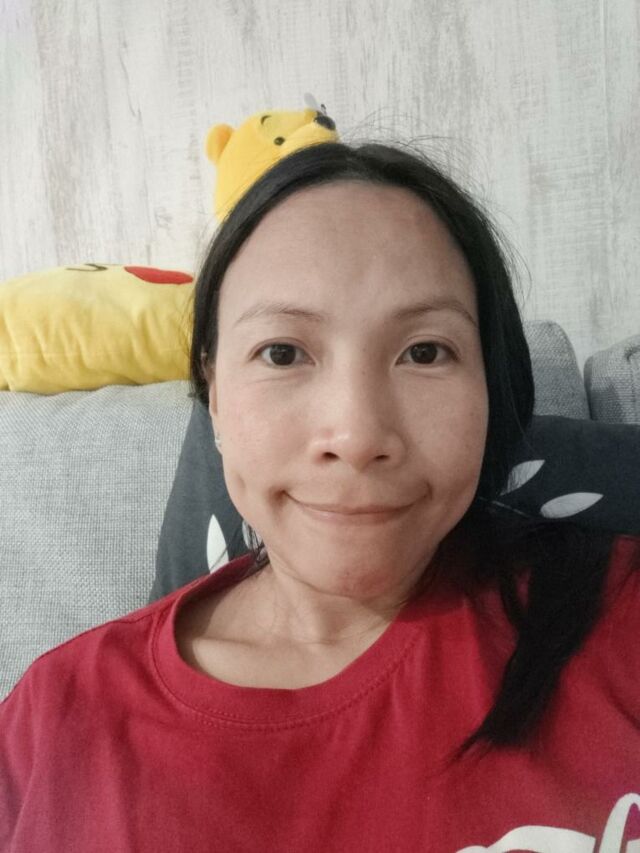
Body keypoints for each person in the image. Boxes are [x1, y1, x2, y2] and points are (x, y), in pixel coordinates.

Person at [2, 140, 639, 851]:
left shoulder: (620, 617)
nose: (358, 435)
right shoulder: (52, 718)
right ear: (214, 395)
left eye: (425, 351)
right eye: (283, 352)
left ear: (491, 390)